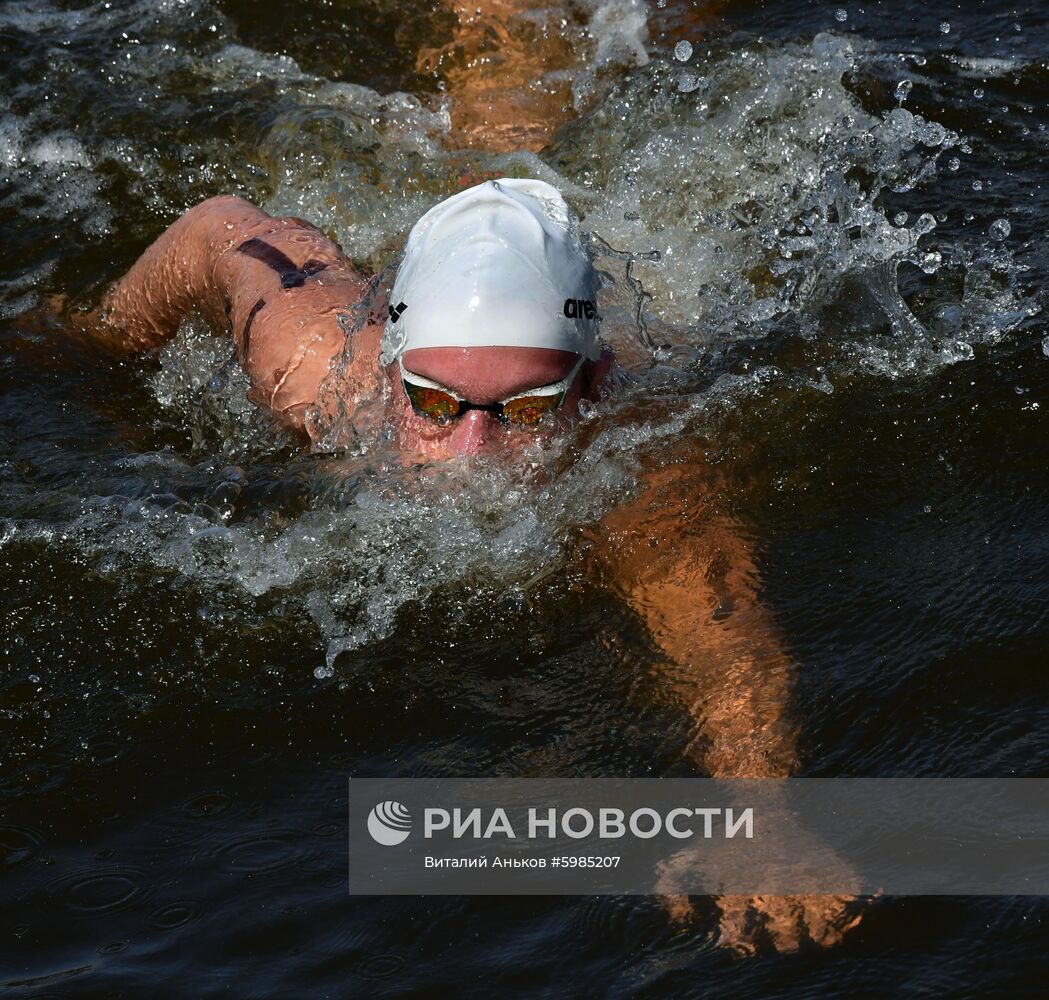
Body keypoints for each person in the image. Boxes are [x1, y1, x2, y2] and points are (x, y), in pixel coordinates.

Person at [90, 176, 866, 953]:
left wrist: (760, 815)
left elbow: (723, 652)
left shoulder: (645, 470)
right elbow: (215, 230)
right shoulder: (307, 357)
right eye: (431, 403)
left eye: (527, 411)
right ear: (387, 367)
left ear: (593, 388)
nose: (473, 452)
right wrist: (94, 345)